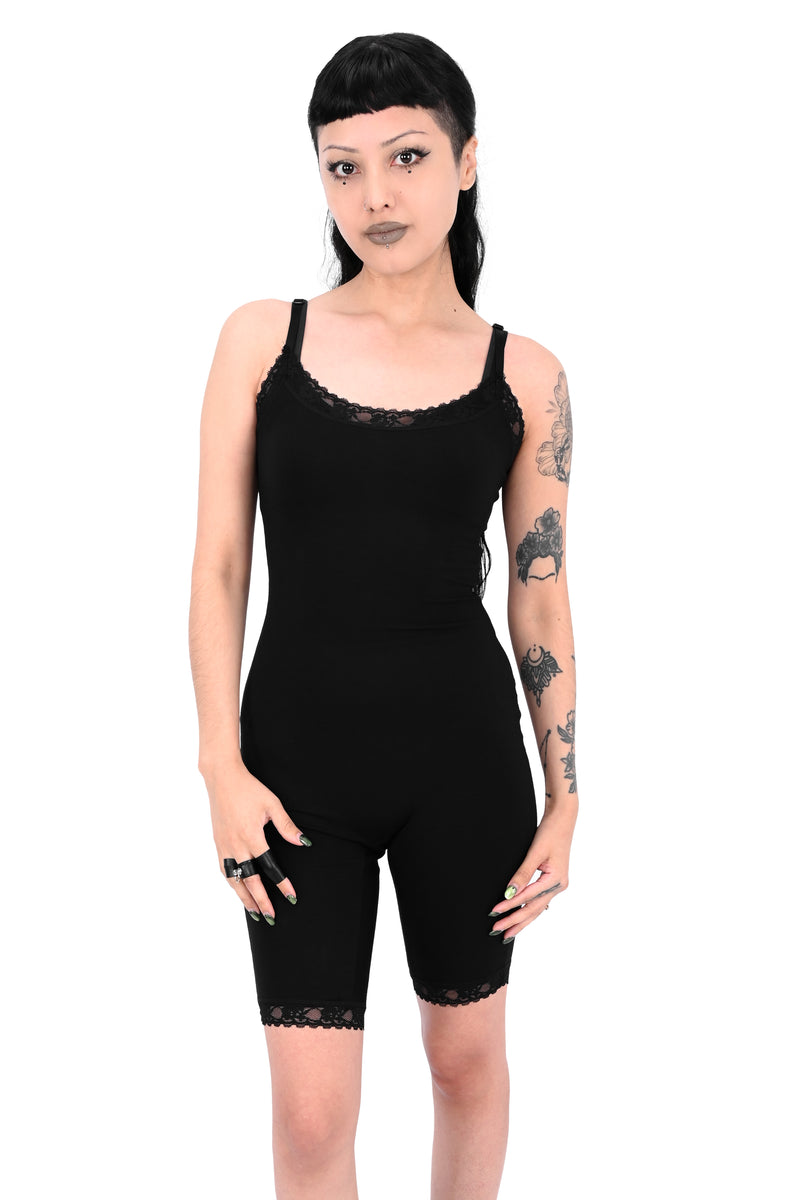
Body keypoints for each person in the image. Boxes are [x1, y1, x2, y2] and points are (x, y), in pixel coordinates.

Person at [189, 31, 578, 1200]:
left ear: (466, 162)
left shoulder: (526, 376)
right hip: (292, 772)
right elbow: (218, 567)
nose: (375, 195)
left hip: (465, 763)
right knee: (311, 1119)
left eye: (406, 157)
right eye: (343, 167)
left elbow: (538, 590)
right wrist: (219, 765)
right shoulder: (263, 341)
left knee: (464, 1064)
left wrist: (566, 794)